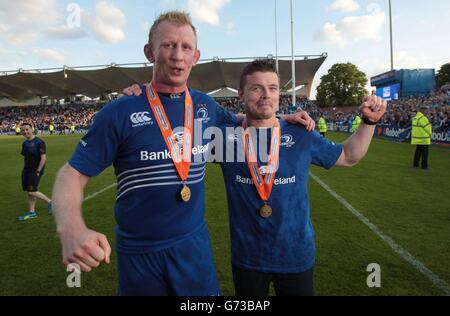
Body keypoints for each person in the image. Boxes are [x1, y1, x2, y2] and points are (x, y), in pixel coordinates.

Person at [52, 11, 315, 296]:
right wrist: (71, 229)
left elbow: (249, 119)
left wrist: (282, 117)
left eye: (186, 47)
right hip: (140, 256)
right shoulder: (119, 111)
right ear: (150, 52)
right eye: (168, 45)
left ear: (196, 56)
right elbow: (71, 174)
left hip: (194, 250)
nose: (178, 55)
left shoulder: (206, 107)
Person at [215, 59, 387, 295]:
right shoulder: (224, 137)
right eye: (257, 88)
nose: (266, 95)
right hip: (248, 258)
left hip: (295, 256)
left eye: (272, 88)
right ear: (242, 94)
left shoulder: (300, 133)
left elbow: (349, 156)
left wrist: (369, 122)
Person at [18, 123, 52, 221]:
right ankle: (32, 212)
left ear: (32, 129)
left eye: (27, 129)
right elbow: (25, 157)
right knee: (30, 192)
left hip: (35, 170)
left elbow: (43, 158)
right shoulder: (25, 143)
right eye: (23, 130)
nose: (25, 132)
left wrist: (38, 171)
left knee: (32, 191)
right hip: (27, 170)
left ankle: (51, 203)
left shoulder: (39, 142)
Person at [411, 105, 432, 170]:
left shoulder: (415, 118)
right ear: (423, 111)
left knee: (418, 152)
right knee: (425, 153)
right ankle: (424, 166)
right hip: (424, 139)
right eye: (427, 111)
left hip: (417, 138)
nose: (427, 112)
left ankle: (415, 164)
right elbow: (427, 128)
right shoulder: (423, 118)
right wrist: (430, 134)